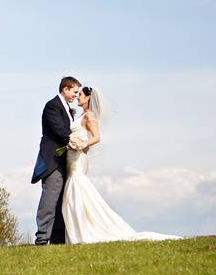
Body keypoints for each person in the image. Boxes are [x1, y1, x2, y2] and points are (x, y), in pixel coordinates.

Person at [61, 86, 180, 244]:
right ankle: (77, 231)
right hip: (71, 157)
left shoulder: (89, 115)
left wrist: (80, 145)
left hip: (78, 158)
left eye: (80, 95)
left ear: (88, 97)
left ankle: (86, 231)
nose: (77, 97)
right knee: (72, 192)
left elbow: (96, 137)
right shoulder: (80, 114)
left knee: (77, 190)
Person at [31, 76, 81, 245]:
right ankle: (42, 238)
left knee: (62, 200)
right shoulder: (52, 106)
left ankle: (57, 238)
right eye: (74, 91)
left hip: (66, 160)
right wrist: (75, 140)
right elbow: (60, 131)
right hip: (53, 159)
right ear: (65, 89)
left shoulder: (67, 108)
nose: (76, 95)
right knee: (50, 198)